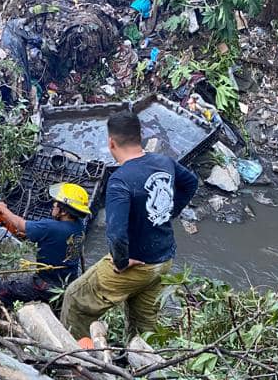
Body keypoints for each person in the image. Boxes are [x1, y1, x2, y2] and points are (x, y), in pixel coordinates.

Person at [61, 110, 198, 339]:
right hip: (164, 260)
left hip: (136, 264)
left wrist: (122, 262)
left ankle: (76, 361)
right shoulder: (165, 162)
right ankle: (140, 366)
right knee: (143, 324)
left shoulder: (120, 180)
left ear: (111, 142)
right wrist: (169, 212)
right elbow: (190, 182)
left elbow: (116, 234)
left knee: (74, 298)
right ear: (139, 136)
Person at [0, 183, 89, 308]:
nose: (53, 204)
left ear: (64, 211)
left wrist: (2, 209)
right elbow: (55, 241)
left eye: (56, 202)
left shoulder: (49, 226)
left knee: (2, 291)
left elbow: (21, 224)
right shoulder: (79, 226)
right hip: (68, 283)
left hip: (47, 287)